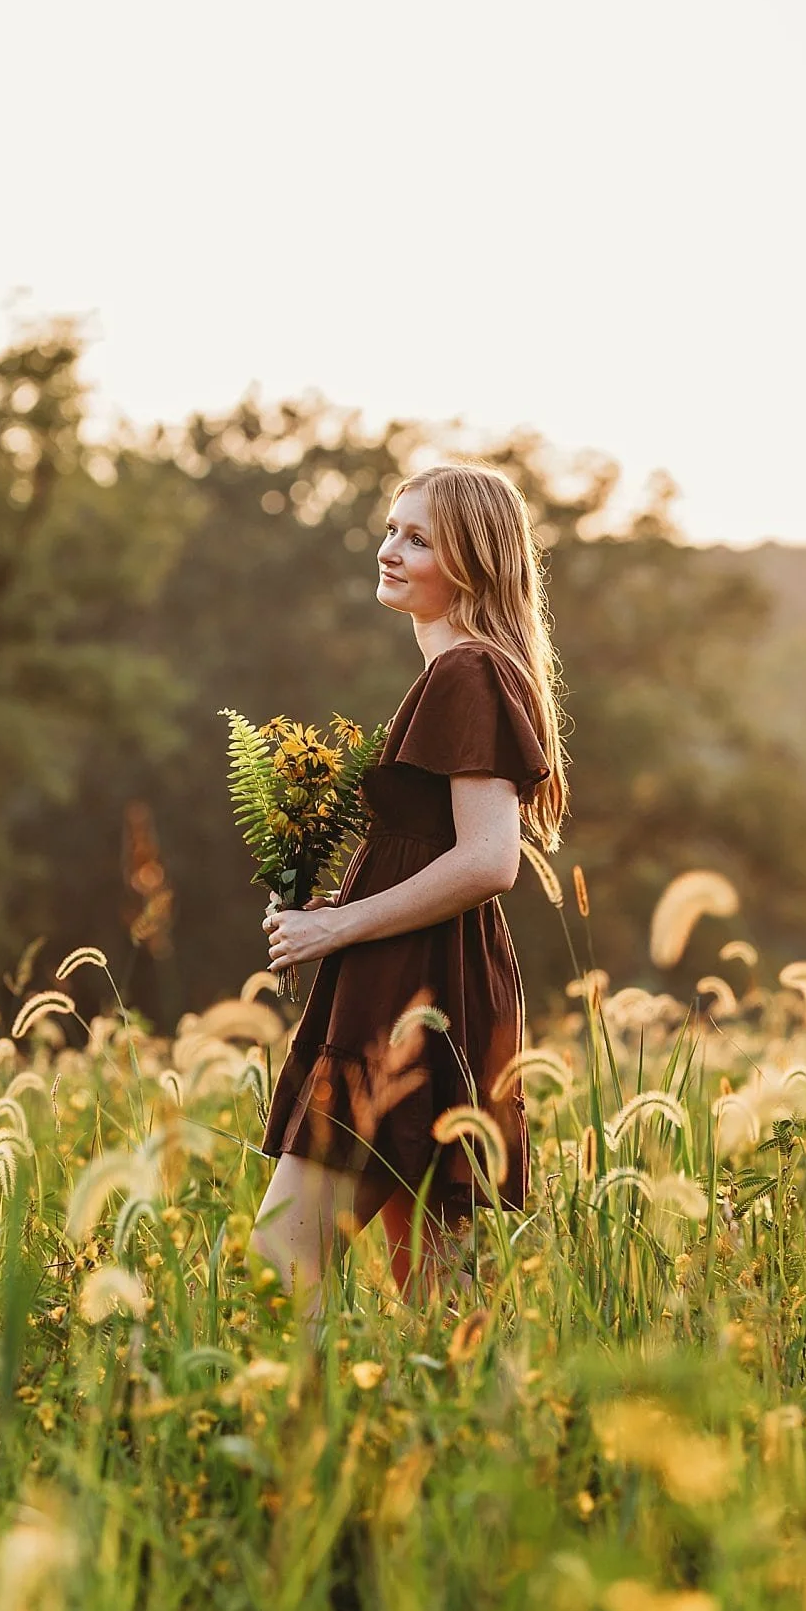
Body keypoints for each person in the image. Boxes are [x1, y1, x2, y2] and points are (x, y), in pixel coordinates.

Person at [248, 460, 569, 1333]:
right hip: (413, 983)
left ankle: (299, 1456)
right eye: (392, 529)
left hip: (407, 993)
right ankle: (476, 1452)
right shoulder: (463, 671)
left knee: (280, 1269)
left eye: (418, 539)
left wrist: (335, 927)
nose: (390, 551)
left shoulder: (469, 672)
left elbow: (490, 860)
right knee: (439, 1299)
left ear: (472, 560)